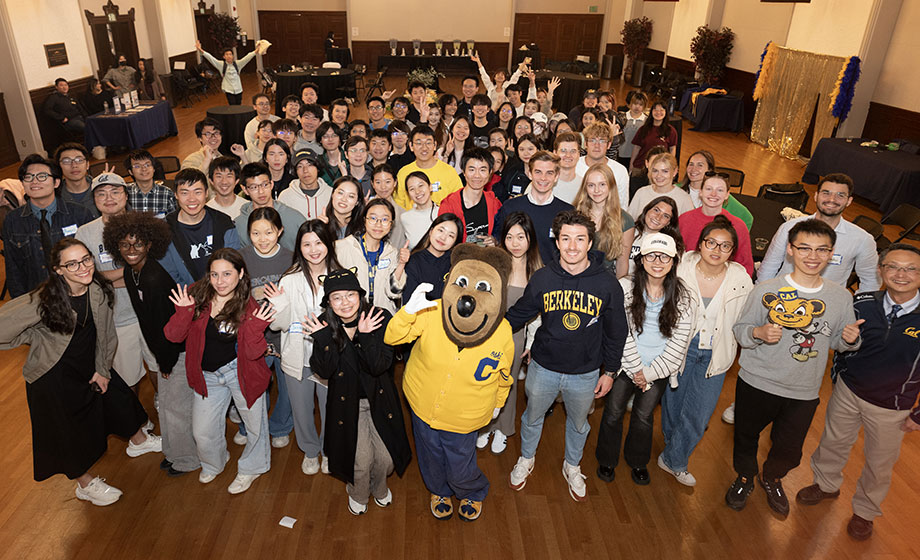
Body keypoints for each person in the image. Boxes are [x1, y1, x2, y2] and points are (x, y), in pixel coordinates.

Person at [0, 238, 159, 506]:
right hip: (53, 376)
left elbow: (107, 334)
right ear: (58, 269)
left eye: (86, 259)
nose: (83, 267)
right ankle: (84, 484)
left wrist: (102, 369)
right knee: (67, 432)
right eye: (72, 264)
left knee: (119, 398)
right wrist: (31, 337)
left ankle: (139, 441)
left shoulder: (96, 288)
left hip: (91, 362)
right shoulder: (42, 299)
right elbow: (6, 325)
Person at [726, 219, 863, 515]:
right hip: (757, 381)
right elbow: (740, 330)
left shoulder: (841, 297)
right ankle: (745, 477)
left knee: (789, 448)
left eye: (821, 250)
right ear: (790, 250)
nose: (812, 256)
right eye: (804, 248)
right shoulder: (766, 289)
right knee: (745, 436)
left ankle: (772, 477)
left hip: (803, 390)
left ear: (831, 254)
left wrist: (850, 340)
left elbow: (840, 341)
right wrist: (758, 333)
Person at [796, 243, 920, 540]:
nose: (901, 274)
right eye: (892, 266)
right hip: (849, 392)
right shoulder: (863, 302)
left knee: (879, 464)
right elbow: (842, 341)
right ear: (880, 271)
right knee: (832, 443)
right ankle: (825, 484)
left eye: (911, 268)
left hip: (892, 406)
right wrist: (839, 376)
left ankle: (865, 511)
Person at [384, 244, 515, 522]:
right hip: (422, 405)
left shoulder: (502, 331)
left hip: (464, 416)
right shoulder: (432, 311)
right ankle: (439, 490)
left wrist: (497, 406)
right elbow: (392, 338)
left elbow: (505, 377)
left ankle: (472, 491)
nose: (468, 297)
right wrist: (408, 311)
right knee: (430, 455)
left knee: (460, 461)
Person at [505, 210, 628, 501]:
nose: (572, 246)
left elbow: (616, 332)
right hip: (543, 367)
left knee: (578, 423)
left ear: (589, 243)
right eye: (566, 239)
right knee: (532, 417)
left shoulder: (608, 284)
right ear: (557, 243)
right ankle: (526, 458)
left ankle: (572, 465)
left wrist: (609, 372)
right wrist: (479, 331)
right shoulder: (544, 278)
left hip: (585, 373)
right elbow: (518, 314)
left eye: (579, 239)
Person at [164, 248, 275, 494]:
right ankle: (214, 462)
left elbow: (255, 352)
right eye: (214, 274)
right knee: (202, 431)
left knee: (255, 425)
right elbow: (173, 336)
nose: (220, 281)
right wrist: (183, 312)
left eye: (227, 274)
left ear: (241, 274)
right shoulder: (195, 295)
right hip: (207, 376)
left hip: (240, 371)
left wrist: (256, 329)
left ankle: (252, 467)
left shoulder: (249, 304)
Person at [306, 269, 412, 515]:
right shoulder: (325, 324)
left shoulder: (379, 317)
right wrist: (324, 340)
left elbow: (379, 366)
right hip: (347, 404)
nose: (345, 303)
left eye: (350, 295)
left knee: (386, 459)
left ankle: (379, 486)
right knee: (361, 461)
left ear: (361, 295)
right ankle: (358, 492)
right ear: (329, 303)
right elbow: (325, 370)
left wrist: (365, 337)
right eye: (337, 298)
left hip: (379, 399)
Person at [658, 216, 752, 486]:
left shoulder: (741, 278)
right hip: (680, 350)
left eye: (725, 246)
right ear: (699, 244)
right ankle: (672, 445)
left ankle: (675, 460)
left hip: (716, 354)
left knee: (699, 414)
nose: (717, 250)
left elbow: (747, 317)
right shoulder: (679, 269)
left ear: (732, 251)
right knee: (673, 406)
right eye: (711, 242)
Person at [596, 232, 696, 486]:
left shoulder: (684, 297)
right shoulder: (624, 287)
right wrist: (636, 369)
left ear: (674, 261)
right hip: (625, 364)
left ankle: (637, 461)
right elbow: (619, 331)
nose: (658, 261)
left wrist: (649, 373)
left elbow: (679, 343)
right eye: (651, 255)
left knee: (643, 415)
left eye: (665, 256)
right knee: (613, 411)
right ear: (641, 259)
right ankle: (607, 459)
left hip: (659, 369)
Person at [102, 212, 198, 477]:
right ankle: (173, 452)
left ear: (149, 244)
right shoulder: (132, 273)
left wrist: (164, 362)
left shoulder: (154, 278)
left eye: (138, 244)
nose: (131, 250)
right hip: (163, 350)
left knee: (177, 409)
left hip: (176, 351)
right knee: (167, 407)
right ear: (116, 246)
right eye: (125, 245)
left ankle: (188, 459)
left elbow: (165, 328)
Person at [264, 220, 340, 476]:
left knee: (331, 408)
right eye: (307, 244)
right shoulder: (291, 278)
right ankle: (310, 450)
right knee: (302, 409)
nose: (313, 249)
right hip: (298, 356)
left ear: (328, 244)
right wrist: (277, 304)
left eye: (318, 242)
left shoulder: (339, 275)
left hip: (331, 358)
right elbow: (278, 325)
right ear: (299, 247)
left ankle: (329, 450)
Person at [76, 173, 160, 402]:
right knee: (127, 376)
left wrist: (110, 277)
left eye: (115, 191)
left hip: (150, 310)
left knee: (159, 365)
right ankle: (136, 419)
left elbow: (154, 271)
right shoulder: (85, 233)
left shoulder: (144, 224)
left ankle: (162, 401)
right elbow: (88, 277)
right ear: (94, 199)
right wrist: (132, 273)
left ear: (126, 194)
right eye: (101, 193)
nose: (108, 198)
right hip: (117, 317)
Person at [478, 212, 543, 454]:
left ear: (530, 239)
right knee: (485, 380)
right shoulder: (494, 263)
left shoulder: (537, 270)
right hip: (487, 332)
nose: (515, 243)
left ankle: (503, 429)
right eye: (509, 237)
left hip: (516, 337)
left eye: (521, 237)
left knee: (509, 382)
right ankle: (485, 425)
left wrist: (531, 342)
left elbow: (538, 313)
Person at [757, 173, 880, 290]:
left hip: (826, 306)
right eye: (826, 193)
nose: (832, 199)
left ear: (849, 201)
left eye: (840, 195)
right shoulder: (788, 228)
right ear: (816, 196)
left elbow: (871, 281)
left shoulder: (863, 239)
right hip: (782, 298)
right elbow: (768, 268)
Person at [238, 207, 294, 449]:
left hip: (284, 335)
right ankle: (249, 426)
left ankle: (281, 426)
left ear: (279, 231)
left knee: (287, 386)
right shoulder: (241, 259)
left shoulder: (292, 259)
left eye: (269, 232)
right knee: (252, 384)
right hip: (253, 336)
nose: (263, 239)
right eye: (256, 233)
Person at [2, 154, 94, 297]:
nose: (34, 182)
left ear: (56, 182)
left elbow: (93, 259)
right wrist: (20, 302)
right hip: (37, 296)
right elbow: (13, 269)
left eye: (42, 176)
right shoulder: (13, 221)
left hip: (79, 292)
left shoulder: (80, 214)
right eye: (28, 177)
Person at [159, 168, 241, 285]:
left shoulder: (224, 223)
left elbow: (232, 264)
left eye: (198, 192)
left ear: (206, 193)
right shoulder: (165, 229)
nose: (191, 199)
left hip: (222, 290)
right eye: (184, 193)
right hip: (186, 296)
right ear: (176, 195)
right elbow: (170, 274)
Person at [493, 151, 573, 265]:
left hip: (553, 278)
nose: (543, 178)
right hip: (515, 277)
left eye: (549, 173)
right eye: (538, 172)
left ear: (556, 176)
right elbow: (500, 245)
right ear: (530, 174)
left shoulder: (567, 212)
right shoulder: (510, 207)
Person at [335, 199, 408, 315]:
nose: (378, 224)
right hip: (352, 316)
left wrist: (402, 264)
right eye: (373, 218)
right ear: (364, 220)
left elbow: (394, 292)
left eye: (385, 219)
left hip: (383, 317)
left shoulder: (392, 253)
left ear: (391, 224)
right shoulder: (342, 247)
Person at [678, 171, 754, 276]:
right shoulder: (684, 220)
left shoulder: (738, 226)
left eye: (720, 190)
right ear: (700, 192)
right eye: (708, 189)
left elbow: (745, 266)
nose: (713, 194)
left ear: (727, 195)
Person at [573, 163, 635, 278]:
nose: (597, 190)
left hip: (606, 280)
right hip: (575, 277)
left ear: (611, 186)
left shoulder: (625, 220)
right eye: (591, 185)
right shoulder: (575, 215)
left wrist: (617, 291)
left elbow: (622, 264)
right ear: (585, 188)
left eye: (602, 184)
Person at [236, 162, 306, 252]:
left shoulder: (294, 218)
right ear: (245, 189)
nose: (261, 191)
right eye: (254, 187)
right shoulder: (239, 224)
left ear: (272, 184)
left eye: (265, 185)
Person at [438, 148, 502, 243]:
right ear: (463, 172)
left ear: (490, 172)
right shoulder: (449, 205)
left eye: (482, 170)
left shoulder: (494, 203)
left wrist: (495, 241)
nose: (477, 175)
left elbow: (501, 231)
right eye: (471, 169)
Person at [394, 125, 463, 210]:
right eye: (419, 143)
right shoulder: (403, 173)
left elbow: (458, 201)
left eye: (428, 143)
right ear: (411, 146)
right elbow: (399, 205)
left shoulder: (449, 171)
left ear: (435, 145)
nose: (424, 148)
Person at [679, 150, 753, 230]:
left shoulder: (718, 195)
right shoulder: (676, 190)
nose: (693, 169)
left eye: (700, 165)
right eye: (691, 164)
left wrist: (733, 239)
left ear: (710, 170)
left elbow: (747, 218)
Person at [403, 213, 462, 304]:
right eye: (441, 230)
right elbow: (409, 302)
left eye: (451, 235)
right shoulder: (414, 261)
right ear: (431, 231)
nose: (443, 237)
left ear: (455, 242)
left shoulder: (456, 263)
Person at [574, 123, 630, 211]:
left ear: (609, 145)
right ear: (585, 144)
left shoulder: (620, 171)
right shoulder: (574, 166)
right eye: (592, 140)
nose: (597, 145)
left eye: (602, 141)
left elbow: (622, 205)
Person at [195, 40, 266, 105]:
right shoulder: (221, 65)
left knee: (238, 106)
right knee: (232, 106)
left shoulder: (238, 64)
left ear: (232, 56)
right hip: (228, 89)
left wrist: (256, 50)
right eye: (226, 54)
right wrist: (201, 50)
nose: (229, 56)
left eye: (230, 54)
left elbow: (247, 57)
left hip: (238, 89)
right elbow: (211, 58)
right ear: (224, 56)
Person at [627, 152, 694, 220]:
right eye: (655, 171)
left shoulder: (684, 199)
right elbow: (629, 220)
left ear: (675, 171)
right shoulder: (641, 192)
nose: (659, 176)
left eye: (665, 171)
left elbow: (688, 226)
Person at [630, 196, 681, 274]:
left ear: (669, 222)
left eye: (665, 216)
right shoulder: (628, 232)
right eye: (656, 210)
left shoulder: (671, 244)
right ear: (647, 210)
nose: (658, 217)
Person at [279, 150, 332, 221]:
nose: (305, 170)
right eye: (300, 166)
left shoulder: (331, 194)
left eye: (309, 165)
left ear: (317, 168)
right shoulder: (285, 197)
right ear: (295, 171)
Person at [126, 149, 178, 218]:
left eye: (147, 165)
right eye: (137, 166)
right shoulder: (124, 192)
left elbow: (174, 221)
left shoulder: (167, 193)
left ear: (153, 169)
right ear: (130, 172)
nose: (144, 169)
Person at [629, 100, 678, 175]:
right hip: (640, 166)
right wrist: (631, 165)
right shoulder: (643, 129)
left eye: (661, 110)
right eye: (655, 110)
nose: (658, 113)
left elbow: (672, 149)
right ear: (651, 112)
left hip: (659, 169)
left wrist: (671, 166)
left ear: (666, 112)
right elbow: (636, 148)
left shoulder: (671, 131)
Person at [54, 143, 98, 217]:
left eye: (79, 160)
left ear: (87, 165)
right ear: (59, 167)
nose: (74, 165)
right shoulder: (54, 197)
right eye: (67, 161)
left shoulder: (100, 189)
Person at [369, 164, 407, 246]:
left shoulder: (403, 214)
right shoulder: (364, 209)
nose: (383, 187)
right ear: (372, 184)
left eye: (388, 182)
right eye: (378, 182)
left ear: (395, 183)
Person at [400, 171, 439, 249]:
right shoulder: (405, 218)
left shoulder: (442, 212)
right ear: (408, 195)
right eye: (412, 189)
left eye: (421, 186)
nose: (417, 191)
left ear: (430, 187)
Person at [551, 132, 585, 204]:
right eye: (563, 151)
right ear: (555, 153)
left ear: (579, 154)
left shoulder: (584, 185)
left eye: (573, 151)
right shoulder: (543, 183)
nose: (568, 155)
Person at [619, 91, 648, 169]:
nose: (637, 107)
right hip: (621, 154)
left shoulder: (646, 120)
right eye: (635, 104)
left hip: (638, 156)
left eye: (640, 105)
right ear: (630, 104)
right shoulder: (622, 117)